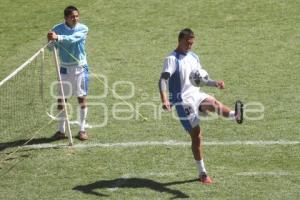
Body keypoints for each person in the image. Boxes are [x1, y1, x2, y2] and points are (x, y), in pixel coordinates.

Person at [158, 28, 243, 184]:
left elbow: (200, 79)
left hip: (196, 95)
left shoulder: (194, 56)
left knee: (214, 103)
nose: (190, 46)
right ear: (180, 40)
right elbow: (163, 80)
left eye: (192, 43)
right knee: (197, 136)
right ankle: (202, 173)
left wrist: (214, 83)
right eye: (187, 43)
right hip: (183, 102)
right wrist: (165, 99)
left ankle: (235, 115)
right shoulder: (171, 59)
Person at [47, 5, 89, 141]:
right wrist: (50, 41)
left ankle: (82, 130)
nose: (75, 19)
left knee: (81, 98)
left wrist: (57, 37)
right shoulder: (57, 28)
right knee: (61, 100)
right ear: (66, 18)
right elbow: (51, 48)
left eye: (77, 16)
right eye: (72, 17)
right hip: (64, 68)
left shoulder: (83, 28)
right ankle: (61, 131)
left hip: (80, 68)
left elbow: (74, 38)